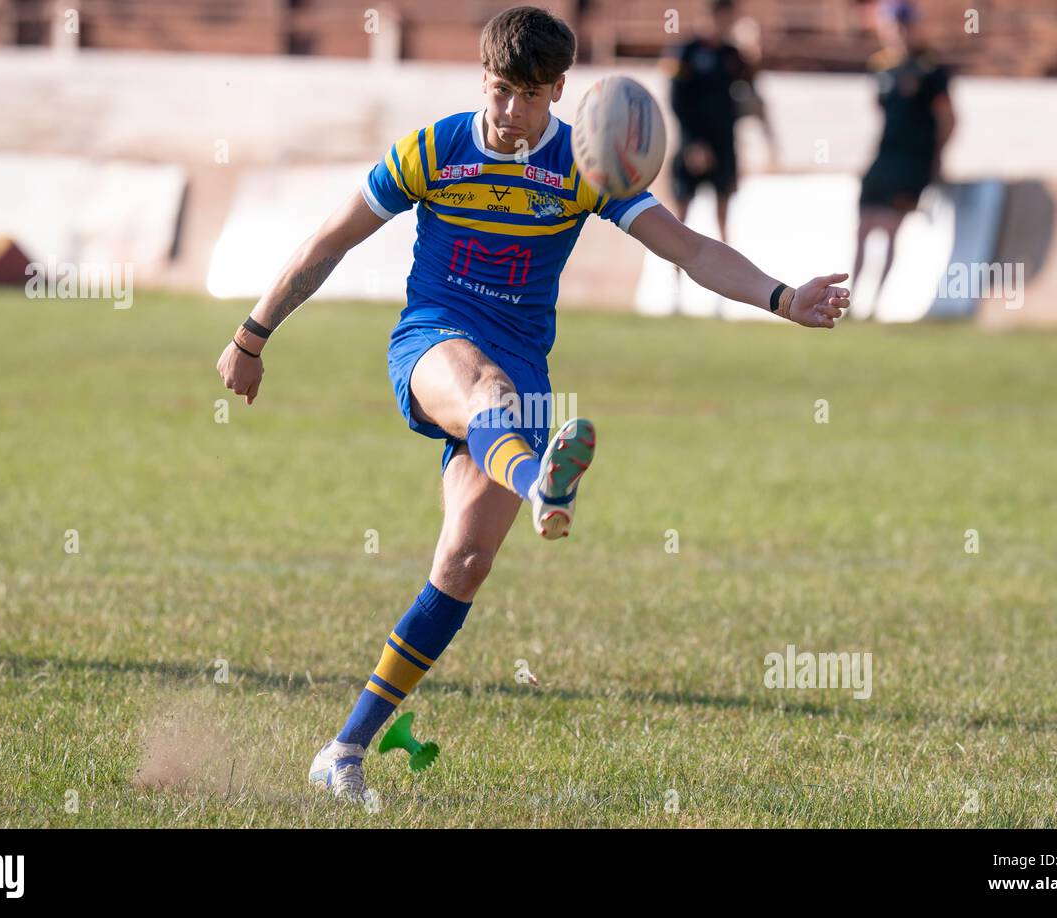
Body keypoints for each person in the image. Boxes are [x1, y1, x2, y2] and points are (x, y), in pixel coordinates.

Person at [215, 5, 849, 802]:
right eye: (497, 89)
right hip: (433, 344)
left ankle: (343, 750)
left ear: (558, 91)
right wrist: (252, 334)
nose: (507, 111)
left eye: (526, 95)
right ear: (482, 76)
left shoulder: (584, 167)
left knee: (465, 563)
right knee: (486, 391)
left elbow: (689, 249)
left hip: (525, 373)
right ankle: (541, 479)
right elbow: (329, 240)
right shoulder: (434, 150)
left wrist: (783, 297)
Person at [853, 0, 955, 318]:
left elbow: (947, 118)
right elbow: (881, 111)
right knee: (863, 228)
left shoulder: (930, 68)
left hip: (912, 162)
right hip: (884, 157)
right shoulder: (881, 66)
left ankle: (874, 303)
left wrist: (937, 158)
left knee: (888, 227)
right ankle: (851, 302)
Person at [662, 0, 777, 252]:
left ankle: (727, 273)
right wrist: (693, 143)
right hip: (693, 143)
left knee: (724, 211)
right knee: (681, 213)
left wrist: (755, 53)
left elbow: (750, 87)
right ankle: (674, 277)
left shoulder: (733, 54)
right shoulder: (685, 51)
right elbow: (676, 101)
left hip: (724, 142)